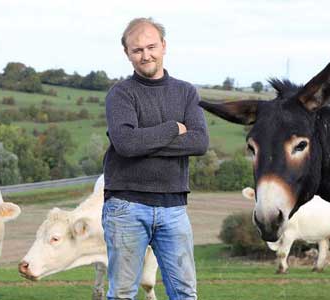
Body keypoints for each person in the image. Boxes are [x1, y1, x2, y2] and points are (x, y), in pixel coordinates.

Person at [102, 17, 209, 300]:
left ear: (163, 46)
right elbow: (125, 144)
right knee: (123, 292)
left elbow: (199, 141)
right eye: (137, 50)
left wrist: (143, 141)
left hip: (173, 207)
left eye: (151, 47)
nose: (145, 55)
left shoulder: (186, 92)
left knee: (185, 292)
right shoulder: (120, 94)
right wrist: (173, 129)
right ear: (127, 54)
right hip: (126, 206)